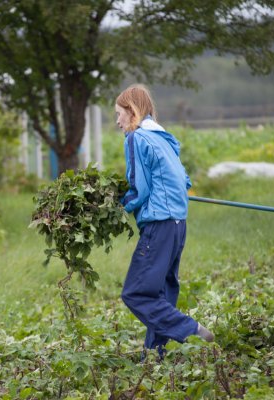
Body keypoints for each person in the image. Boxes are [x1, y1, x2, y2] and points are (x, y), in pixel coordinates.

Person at [115, 84, 214, 359]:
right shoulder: (163, 137)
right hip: (177, 225)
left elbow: (138, 188)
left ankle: (190, 329)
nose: (118, 121)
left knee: (136, 293)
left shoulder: (136, 138)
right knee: (159, 293)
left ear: (131, 111)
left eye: (120, 113)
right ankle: (154, 357)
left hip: (158, 225)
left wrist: (118, 207)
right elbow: (184, 180)